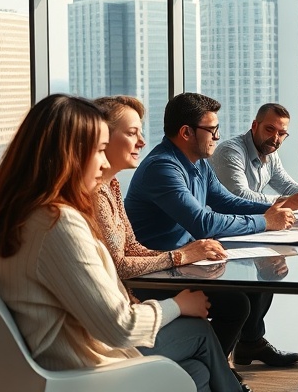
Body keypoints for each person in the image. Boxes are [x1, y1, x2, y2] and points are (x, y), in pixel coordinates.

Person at [0, 94, 241, 392]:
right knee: (199, 333)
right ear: (71, 154)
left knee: (196, 373)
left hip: (34, 361)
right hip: (74, 367)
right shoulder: (58, 224)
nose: (103, 161)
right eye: (99, 150)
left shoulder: (10, 213)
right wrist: (177, 304)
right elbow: (121, 328)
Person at [125, 92, 298, 367]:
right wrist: (267, 222)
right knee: (236, 304)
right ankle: (213, 371)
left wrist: (271, 211)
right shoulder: (162, 168)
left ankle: (250, 344)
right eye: (212, 130)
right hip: (157, 270)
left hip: (189, 259)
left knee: (261, 275)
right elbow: (204, 223)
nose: (217, 137)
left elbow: (225, 201)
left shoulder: (198, 163)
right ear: (186, 132)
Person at [92, 96, 252, 390]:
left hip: (140, 283)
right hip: (141, 290)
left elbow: (130, 249)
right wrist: (179, 258)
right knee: (216, 320)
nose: (142, 141)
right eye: (132, 133)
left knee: (198, 369)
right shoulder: (156, 169)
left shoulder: (111, 187)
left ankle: (220, 372)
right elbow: (119, 266)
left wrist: (270, 211)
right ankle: (227, 378)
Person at [209, 103, 298, 209]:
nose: (275, 138)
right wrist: (284, 201)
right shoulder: (231, 152)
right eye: (269, 129)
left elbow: (286, 185)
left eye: (281, 133)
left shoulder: (270, 153)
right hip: (222, 222)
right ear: (254, 126)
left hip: (248, 220)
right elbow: (240, 196)